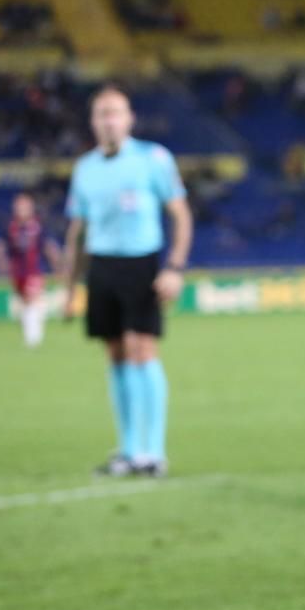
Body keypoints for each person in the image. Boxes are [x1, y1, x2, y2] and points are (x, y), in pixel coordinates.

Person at [60, 87, 191, 478]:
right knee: (115, 353)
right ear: (92, 121)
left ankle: (154, 452)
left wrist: (175, 267)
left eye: (115, 112)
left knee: (141, 348)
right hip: (102, 265)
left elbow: (181, 215)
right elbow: (78, 232)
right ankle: (129, 450)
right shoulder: (85, 168)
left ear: (130, 118)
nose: (109, 120)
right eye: (102, 113)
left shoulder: (153, 158)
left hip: (141, 263)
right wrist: (69, 288)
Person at [0, 193, 59, 348]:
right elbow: (1, 246)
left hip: (34, 271)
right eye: (19, 207)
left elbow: (49, 246)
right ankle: (30, 333)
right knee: (24, 302)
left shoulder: (37, 227)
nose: (22, 210)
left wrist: (57, 263)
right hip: (17, 272)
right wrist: (2, 262)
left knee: (33, 299)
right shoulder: (11, 228)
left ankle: (33, 338)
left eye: (25, 207)